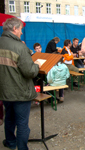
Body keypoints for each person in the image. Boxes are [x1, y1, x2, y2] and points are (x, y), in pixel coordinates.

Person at [0, 17, 41, 150]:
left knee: (9, 118)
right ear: (14, 29)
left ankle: (10, 142)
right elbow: (29, 72)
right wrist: (36, 66)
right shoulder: (19, 47)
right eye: (21, 29)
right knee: (22, 123)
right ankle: (22, 148)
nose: (21, 33)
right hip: (20, 91)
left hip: (4, 90)